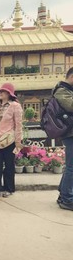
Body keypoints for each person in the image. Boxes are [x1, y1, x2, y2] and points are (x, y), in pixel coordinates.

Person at [55, 67, 73, 211]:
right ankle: (67, 198)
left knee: (70, 167)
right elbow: (71, 106)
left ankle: (63, 194)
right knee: (71, 167)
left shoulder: (67, 90)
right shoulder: (61, 90)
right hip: (70, 133)